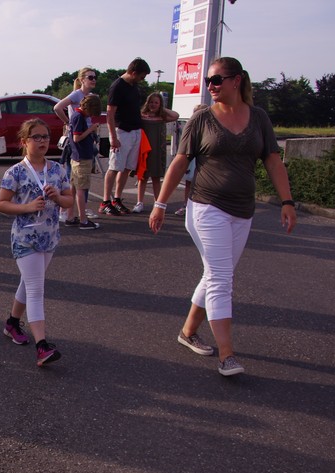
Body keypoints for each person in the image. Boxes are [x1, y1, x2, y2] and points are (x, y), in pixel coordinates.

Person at [148, 57, 296, 377]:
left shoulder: (258, 118)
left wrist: (287, 201)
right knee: (221, 278)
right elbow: (180, 162)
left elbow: (273, 160)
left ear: (237, 80)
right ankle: (227, 355)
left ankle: (188, 331)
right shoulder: (202, 119)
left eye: (217, 80)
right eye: (208, 81)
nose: (211, 86)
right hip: (206, 207)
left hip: (242, 211)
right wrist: (160, 204)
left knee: (217, 274)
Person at [0, 119, 72, 367]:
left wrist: (58, 197)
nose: (42, 141)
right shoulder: (15, 172)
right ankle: (42, 346)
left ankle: (12, 323)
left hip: (49, 237)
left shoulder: (57, 169)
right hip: (25, 238)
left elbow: (70, 200)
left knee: (27, 283)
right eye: (36, 137)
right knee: (36, 289)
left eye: (45, 137)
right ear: (24, 141)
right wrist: (27, 207)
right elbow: (1, 204)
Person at [100, 57, 151, 216]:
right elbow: (110, 113)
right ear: (133, 73)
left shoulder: (134, 86)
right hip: (122, 131)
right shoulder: (118, 86)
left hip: (135, 130)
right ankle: (105, 201)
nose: (142, 80)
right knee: (115, 167)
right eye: (141, 76)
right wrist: (113, 137)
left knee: (127, 167)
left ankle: (117, 198)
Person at [53, 67, 99, 225]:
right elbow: (57, 107)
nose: (93, 80)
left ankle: (71, 213)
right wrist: (68, 122)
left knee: (76, 182)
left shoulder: (90, 96)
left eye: (95, 77)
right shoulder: (77, 95)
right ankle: (75, 214)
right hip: (79, 143)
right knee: (77, 182)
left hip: (84, 141)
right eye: (90, 77)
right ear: (82, 79)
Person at [133, 92, 179, 213]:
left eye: (156, 103)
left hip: (158, 150)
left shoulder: (162, 117)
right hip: (144, 150)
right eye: (151, 102)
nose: (153, 105)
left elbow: (175, 115)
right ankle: (139, 202)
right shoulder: (142, 116)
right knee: (142, 177)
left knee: (156, 178)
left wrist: (162, 108)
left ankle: (157, 203)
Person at [68, 95, 102, 230]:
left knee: (73, 188)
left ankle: (70, 217)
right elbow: (77, 138)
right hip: (82, 157)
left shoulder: (76, 115)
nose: (91, 115)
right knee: (81, 189)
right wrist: (91, 129)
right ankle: (83, 220)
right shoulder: (79, 117)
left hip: (76, 156)